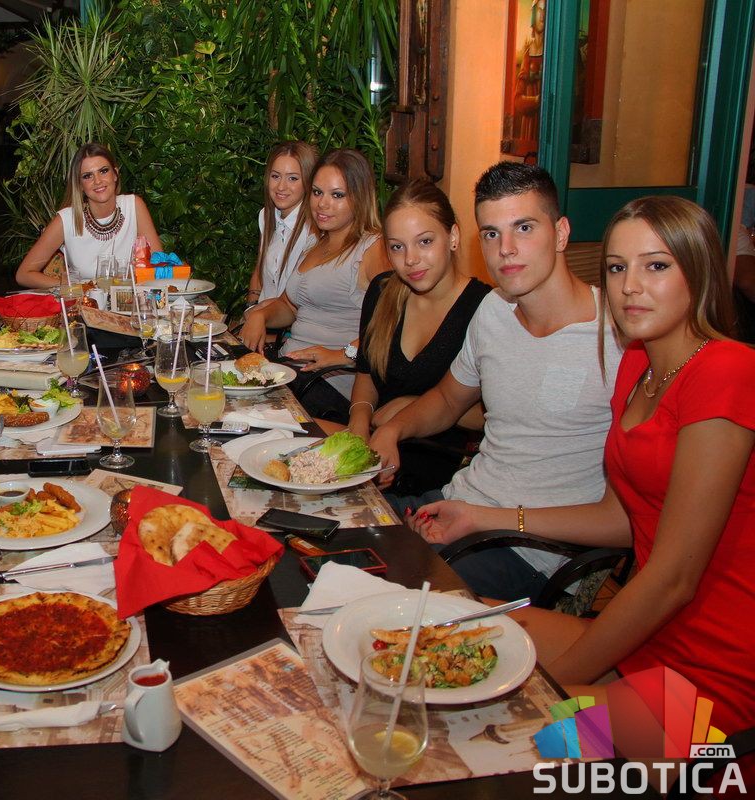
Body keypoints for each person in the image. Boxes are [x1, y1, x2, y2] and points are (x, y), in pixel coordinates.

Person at [412, 195, 755, 732]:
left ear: (700, 271)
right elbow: (619, 519)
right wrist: (484, 517)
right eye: (617, 268)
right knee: (437, 631)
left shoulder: (727, 369)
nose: (630, 286)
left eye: (656, 266)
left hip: (713, 668)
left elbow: (673, 579)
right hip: (646, 629)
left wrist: (548, 690)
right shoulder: (638, 368)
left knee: (496, 726)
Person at [369, 162, 625, 601]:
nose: (505, 249)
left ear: (561, 233)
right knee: (332, 535)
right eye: (491, 233)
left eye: (523, 227)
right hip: (456, 504)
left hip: (532, 550)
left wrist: (487, 519)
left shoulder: (616, 336)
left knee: (378, 598)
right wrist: (392, 430)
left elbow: (628, 518)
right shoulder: (493, 311)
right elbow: (448, 399)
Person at [326, 180, 491, 491]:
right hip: (373, 447)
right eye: (397, 247)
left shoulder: (484, 308)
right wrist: (359, 424)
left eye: (424, 242)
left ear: (453, 237)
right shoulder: (382, 292)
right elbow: (366, 374)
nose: (410, 259)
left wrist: (412, 406)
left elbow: (493, 414)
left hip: (440, 466)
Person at [239, 148, 388, 419]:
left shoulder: (372, 248)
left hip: (331, 381)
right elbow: (289, 306)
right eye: (317, 192)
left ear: (360, 197)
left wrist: (343, 355)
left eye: (337, 195)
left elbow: (395, 322)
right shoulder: (316, 244)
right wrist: (260, 314)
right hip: (290, 369)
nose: (322, 204)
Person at [15, 142, 163, 288]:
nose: (97, 181)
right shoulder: (67, 219)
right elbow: (24, 274)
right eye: (87, 176)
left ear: (115, 174)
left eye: (103, 171)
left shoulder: (134, 206)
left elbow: (159, 264)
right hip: (82, 302)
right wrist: (66, 286)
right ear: (80, 185)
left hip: (129, 300)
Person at [246, 142, 318, 306]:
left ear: (309, 181)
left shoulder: (314, 228)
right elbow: (259, 270)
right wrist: (250, 309)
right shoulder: (266, 216)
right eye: (275, 176)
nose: (281, 186)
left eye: (292, 178)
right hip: (262, 315)